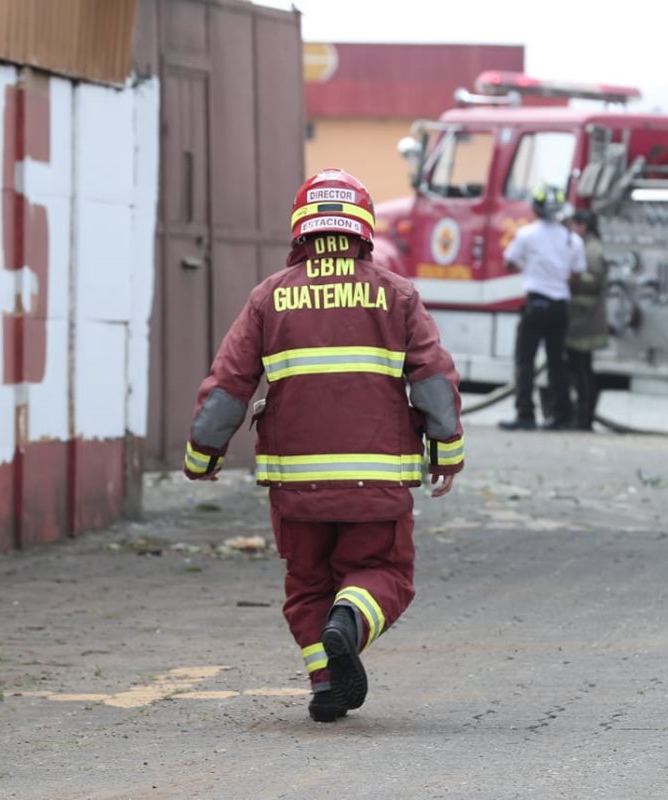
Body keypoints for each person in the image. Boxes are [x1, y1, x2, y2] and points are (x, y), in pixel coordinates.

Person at [183, 168, 465, 723]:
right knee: (382, 572)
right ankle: (348, 624)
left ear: (301, 228)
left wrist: (203, 453)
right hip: (377, 482)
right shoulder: (396, 295)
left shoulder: (270, 297)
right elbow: (433, 376)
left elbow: (229, 384)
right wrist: (447, 450)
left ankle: (326, 685)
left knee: (308, 584)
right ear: (363, 228)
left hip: (297, 486)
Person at [498, 184, 586, 431]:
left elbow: (509, 262)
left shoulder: (527, 234)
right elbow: (577, 275)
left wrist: (531, 267)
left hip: (536, 304)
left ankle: (525, 415)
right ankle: (562, 417)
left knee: (525, 361)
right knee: (557, 363)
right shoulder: (573, 239)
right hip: (560, 307)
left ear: (535, 208)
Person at [564, 209, 609, 431]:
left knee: (581, 369)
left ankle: (584, 417)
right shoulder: (587, 246)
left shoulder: (591, 249)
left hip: (585, 320)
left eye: (573, 225)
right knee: (580, 368)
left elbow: (595, 280)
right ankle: (582, 416)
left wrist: (570, 277)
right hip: (582, 317)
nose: (570, 229)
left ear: (583, 226)